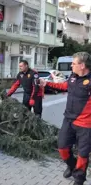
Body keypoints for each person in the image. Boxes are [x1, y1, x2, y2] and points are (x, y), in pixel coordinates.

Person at [39, 52, 91, 185]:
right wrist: (47, 84)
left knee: (83, 154)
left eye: (73, 64)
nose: (71, 66)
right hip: (68, 120)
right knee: (62, 147)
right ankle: (71, 165)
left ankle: (79, 179)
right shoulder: (73, 77)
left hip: (85, 124)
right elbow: (64, 86)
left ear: (82, 65)